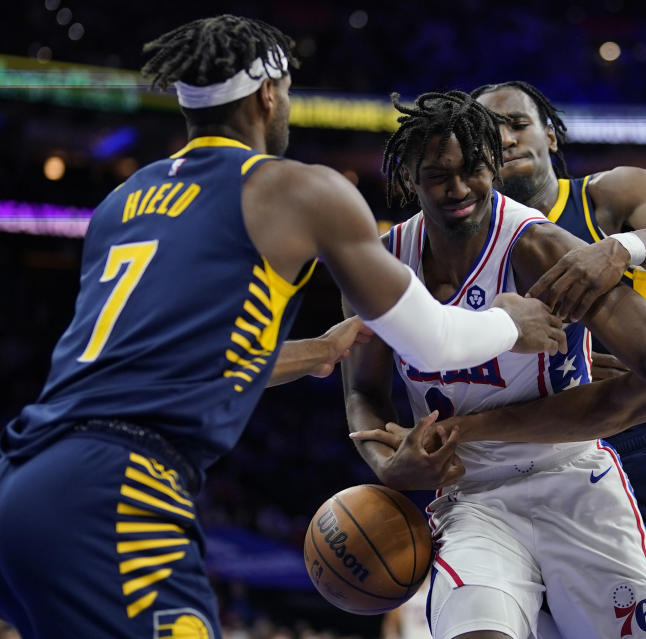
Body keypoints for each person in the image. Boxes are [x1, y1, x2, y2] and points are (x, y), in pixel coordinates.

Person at [0, 16, 566, 638]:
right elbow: (432, 339)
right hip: (120, 488)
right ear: (269, 93)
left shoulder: (123, 201)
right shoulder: (298, 189)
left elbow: (181, 362)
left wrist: (318, 352)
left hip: (24, 474)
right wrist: (505, 322)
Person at [344, 90, 646, 639]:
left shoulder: (537, 245)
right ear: (408, 176)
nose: (458, 189)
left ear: (492, 166)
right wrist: (388, 467)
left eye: (472, 170)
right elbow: (362, 392)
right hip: (471, 493)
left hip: (572, 479)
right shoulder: (384, 261)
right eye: (438, 174)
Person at [471, 81, 646, 639]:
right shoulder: (469, 240)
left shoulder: (609, 195)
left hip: (645, 443)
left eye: (517, 123)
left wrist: (622, 247)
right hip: (537, 461)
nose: (504, 138)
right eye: (486, 134)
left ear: (549, 133)